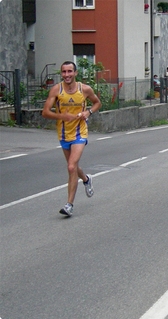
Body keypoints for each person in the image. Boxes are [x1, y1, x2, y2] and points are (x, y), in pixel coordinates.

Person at [42, 61, 102, 217]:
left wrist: (88, 112)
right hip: (63, 133)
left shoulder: (85, 89)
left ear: (75, 73)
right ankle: (86, 179)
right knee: (73, 167)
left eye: (70, 71)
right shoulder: (57, 90)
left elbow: (97, 103)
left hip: (79, 133)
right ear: (61, 74)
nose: (67, 75)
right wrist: (62, 116)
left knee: (71, 167)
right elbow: (45, 112)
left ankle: (69, 205)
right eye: (64, 72)